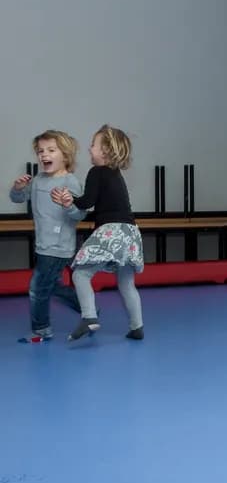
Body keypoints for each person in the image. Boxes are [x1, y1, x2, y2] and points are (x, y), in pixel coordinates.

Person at [52, 125, 144, 342]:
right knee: (126, 283)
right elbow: (107, 209)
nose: (89, 148)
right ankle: (137, 326)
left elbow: (87, 202)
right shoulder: (116, 175)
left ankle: (89, 317)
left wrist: (70, 199)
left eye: (93, 144)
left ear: (105, 151)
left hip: (112, 231)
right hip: (130, 232)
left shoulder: (97, 172)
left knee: (80, 274)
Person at [9, 130, 86, 343]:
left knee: (37, 288)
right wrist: (17, 188)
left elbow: (80, 214)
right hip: (43, 244)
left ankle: (41, 329)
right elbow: (17, 198)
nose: (44, 155)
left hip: (59, 246)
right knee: (52, 286)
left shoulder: (70, 182)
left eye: (51, 150)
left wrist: (68, 204)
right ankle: (88, 310)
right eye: (40, 151)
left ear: (65, 155)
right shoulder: (38, 180)